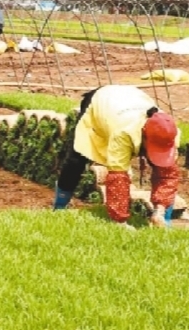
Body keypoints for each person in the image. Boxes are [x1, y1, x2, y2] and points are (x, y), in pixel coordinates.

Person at [53, 85, 181, 229]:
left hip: (131, 98)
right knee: (77, 159)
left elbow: (168, 176)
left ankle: (165, 221)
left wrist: (160, 211)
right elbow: (117, 177)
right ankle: (59, 208)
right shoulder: (124, 132)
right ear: (144, 136)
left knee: (164, 168)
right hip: (102, 102)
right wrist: (120, 221)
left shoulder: (169, 131)